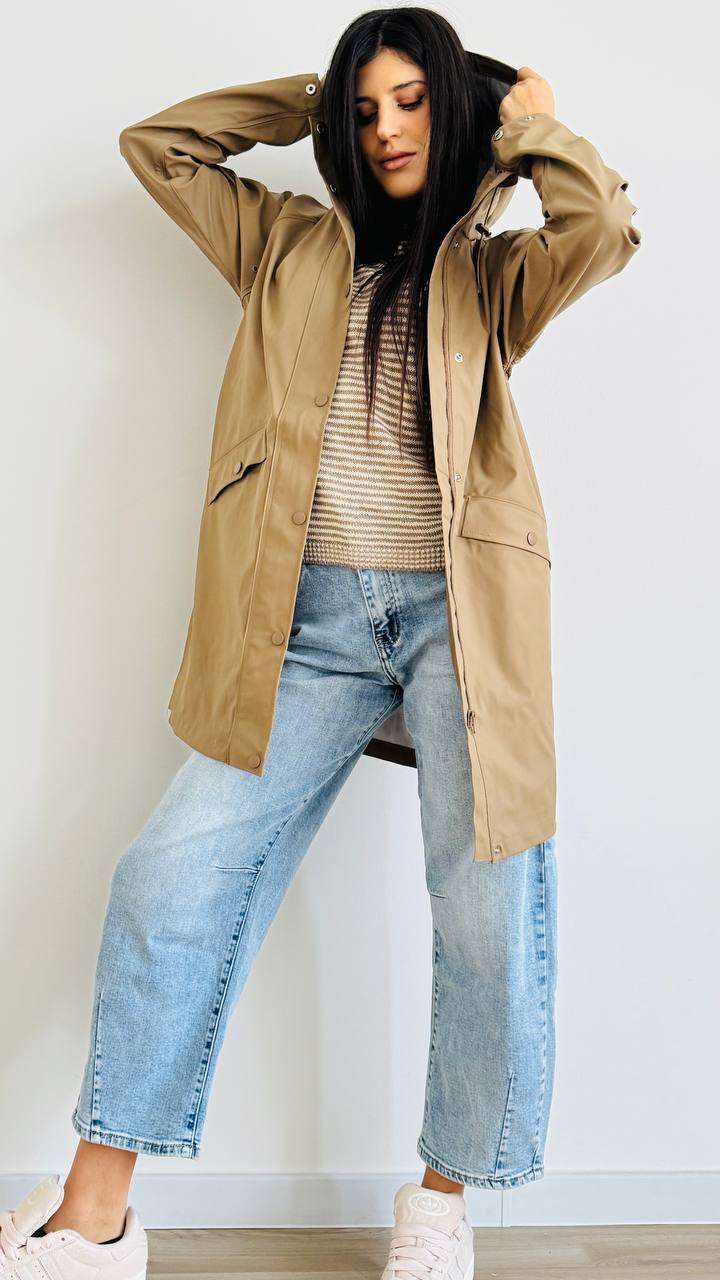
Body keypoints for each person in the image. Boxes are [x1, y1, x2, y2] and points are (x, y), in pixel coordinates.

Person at [2, 8, 640, 1280]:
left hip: (463, 621)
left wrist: (525, 128)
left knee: (487, 905)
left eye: (413, 101)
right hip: (303, 627)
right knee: (169, 877)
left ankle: (441, 1203)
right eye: (366, 109)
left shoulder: (493, 273)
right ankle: (94, 1212)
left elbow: (605, 231)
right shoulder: (283, 241)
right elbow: (158, 147)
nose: (386, 128)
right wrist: (316, 95)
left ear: (454, 109)